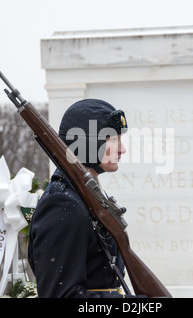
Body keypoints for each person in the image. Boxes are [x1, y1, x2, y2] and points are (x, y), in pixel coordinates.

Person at [28, 99, 133, 298]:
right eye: (112, 139)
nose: (122, 149)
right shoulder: (62, 204)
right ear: (88, 143)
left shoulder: (83, 196)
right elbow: (60, 295)